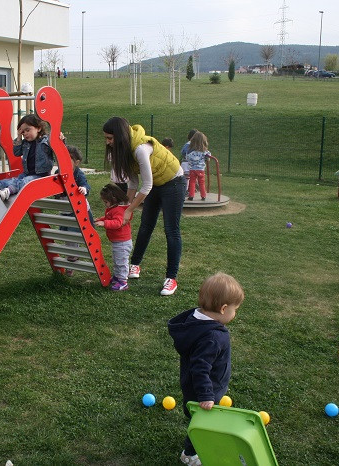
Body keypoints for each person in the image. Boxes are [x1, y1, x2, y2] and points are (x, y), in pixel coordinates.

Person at [103, 116, 186, 296]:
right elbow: (133, 183)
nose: (107, 142)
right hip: (156, 183)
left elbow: (146, 185)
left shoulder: (141, 149)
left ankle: (171, 278)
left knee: (171, 230)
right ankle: (135, 265)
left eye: (110, 138)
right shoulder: (125, 151)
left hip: (174, 182)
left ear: (120, 136)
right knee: (146, 225)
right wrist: (124, 207)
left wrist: (129, 209)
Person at [167, 272, 245, 465]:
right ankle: (190, 454)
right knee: (202, 422)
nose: (235, 314)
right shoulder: (212, 337)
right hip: (203, 390)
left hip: (193, 386)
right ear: (224, 308)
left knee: (202, 419)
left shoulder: (195, 321)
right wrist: (206, 395)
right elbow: (200, 368)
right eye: (235, 310)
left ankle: (204, 442)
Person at [0, 114, 54, 201]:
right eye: (23, 132)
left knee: (25, 181)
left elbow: (59, 148)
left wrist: (61, 139)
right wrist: (19, 137)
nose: (25, 134)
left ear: (38, 128)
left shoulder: (46, 141)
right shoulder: (25, 143)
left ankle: (10, 190)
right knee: (12, 180)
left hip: (41, 176)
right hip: (27, 173)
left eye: (28, 130)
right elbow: (17, 153)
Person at [54, 145, 93, 273]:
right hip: (65, 209)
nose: (63, 162)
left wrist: (83, 189)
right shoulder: (58, 172)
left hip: (78, 211)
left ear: (76, 162)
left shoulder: (78, 174)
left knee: (72, 235)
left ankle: (72, 258)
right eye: (61, 159)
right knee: (65, 234)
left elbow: (86, 185)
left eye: (67, 159)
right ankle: (71, 255)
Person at [95, 184, 132, 291]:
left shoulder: (119, 210)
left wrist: (104, 223)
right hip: (117, 241)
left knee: (121, 262)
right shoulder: (113, 208)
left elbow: (117, 222)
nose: (105, 204)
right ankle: (117, 276)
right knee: (117, 260)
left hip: (122, 242)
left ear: (114, 199)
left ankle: (123, 281)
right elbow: (109, 217)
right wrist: (101, 219)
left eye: (106, 202)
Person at [185, 131, 211, 201]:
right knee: (201, 182)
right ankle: (203, 196)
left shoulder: (190, 152)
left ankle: (191, 195)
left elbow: (187, 158)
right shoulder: (204, 151)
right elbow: (208, 156)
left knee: (192, 182)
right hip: (201, 169)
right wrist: (207, 159)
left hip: (192, 169)